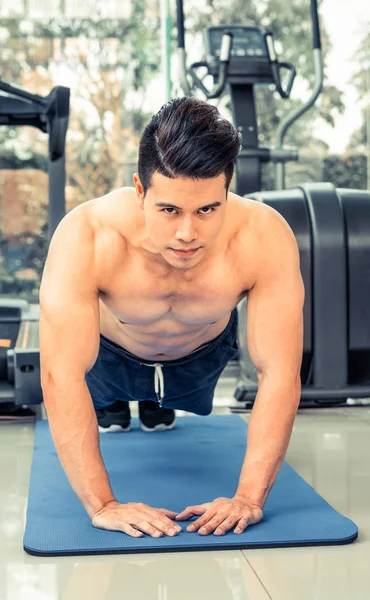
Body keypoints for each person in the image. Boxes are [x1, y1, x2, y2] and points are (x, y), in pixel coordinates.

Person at [39, 97, 304, 541]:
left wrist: (248, 499)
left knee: (162, 412)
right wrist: (103, 505)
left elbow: (279, 372)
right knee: (105, 409)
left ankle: (156, 403)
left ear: (227, 188)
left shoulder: (263, 235)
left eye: (207, 210)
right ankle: (125, 401)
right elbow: (61, 374)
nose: (187, 233)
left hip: (201, 359)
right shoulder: (87, 235)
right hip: (108, 357)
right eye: (169, 210)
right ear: (140, 191)